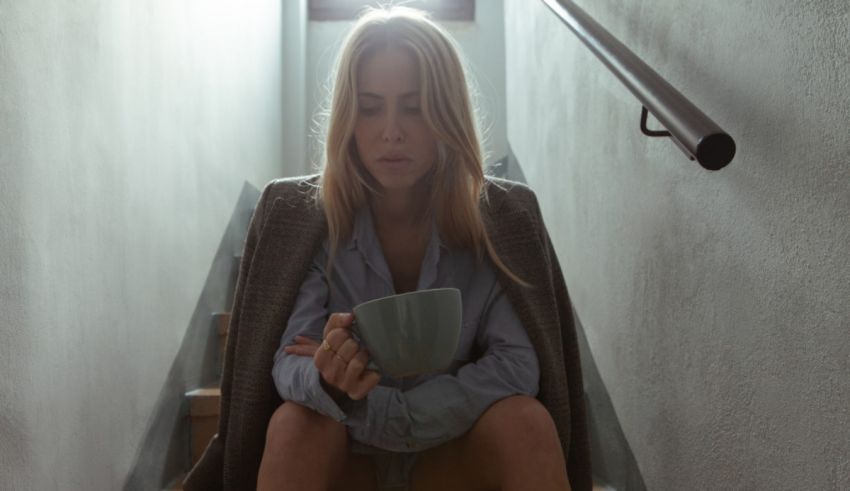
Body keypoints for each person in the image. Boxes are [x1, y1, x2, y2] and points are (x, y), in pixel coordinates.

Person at [184, 6, 591, 491]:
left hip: (451, 451)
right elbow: (289, 360)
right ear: (348, 117)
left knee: (526, 424)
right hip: (346, 454)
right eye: (371, 108)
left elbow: (518, 365)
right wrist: (329, 379)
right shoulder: (308, 221)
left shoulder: (497, 223)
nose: (392, 131)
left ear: (447, 113)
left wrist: (393, 413)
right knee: (294, 425)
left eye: (414, 108)